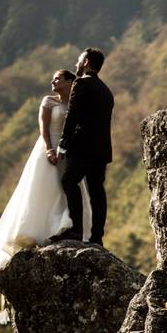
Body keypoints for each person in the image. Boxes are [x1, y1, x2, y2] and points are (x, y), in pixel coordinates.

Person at [0, 69, 92, 324]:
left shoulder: (74, 102)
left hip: (68, 151)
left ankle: (64, 225)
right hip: (48, 149)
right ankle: (41, 229)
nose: (53, 81)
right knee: (44, 189)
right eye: (53, 78)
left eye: (59, 78)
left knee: (67, 189)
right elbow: (43, 128)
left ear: (70, 81)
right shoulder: (47, 102)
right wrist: (50, 149)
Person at [53, 47, 113, 246]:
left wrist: (63, 143)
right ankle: (97, 237)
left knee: (69, 181)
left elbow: (73, 115)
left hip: (83, 147)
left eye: (78, 61)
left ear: (86, 62)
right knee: (97, 191)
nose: (76, 65)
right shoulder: (106, 90)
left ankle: (76, 230)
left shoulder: (81, 83)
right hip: (102, 149)